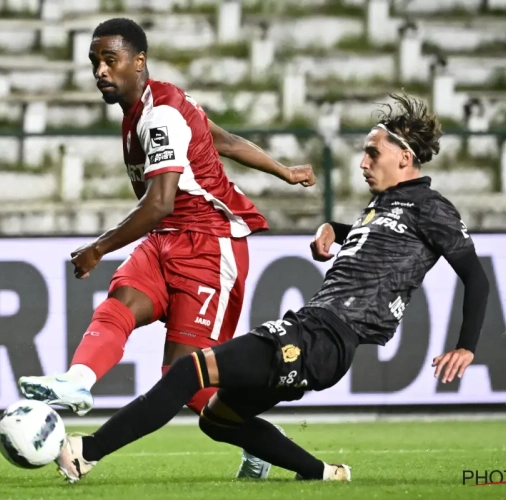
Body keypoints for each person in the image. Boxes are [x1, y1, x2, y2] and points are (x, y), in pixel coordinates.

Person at [51, 93, 491, 483]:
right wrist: (334, 230)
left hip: (323, 337)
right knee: (217, 420)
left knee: (187, 372)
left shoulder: (432, 208)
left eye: (372, 153)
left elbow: (475, 276)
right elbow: (374, 240)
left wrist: (465, 346)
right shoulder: (384, 206)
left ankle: (87, 452)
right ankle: (325, 474)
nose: (363, 163)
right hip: (317, 336)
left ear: (405, 158)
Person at [17, 17, 316, 479]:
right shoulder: (150, 107)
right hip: (167, 239)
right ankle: (78, 380)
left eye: (110, 60)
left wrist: (98, 248)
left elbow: (159, 203)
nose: (100, 70)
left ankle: (257, 440)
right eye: (95, 62)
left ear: (139, 61)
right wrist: (285, 171)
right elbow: (223, 140)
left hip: (209, 246)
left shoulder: (161, 116)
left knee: (188, 382)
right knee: (121, 302)